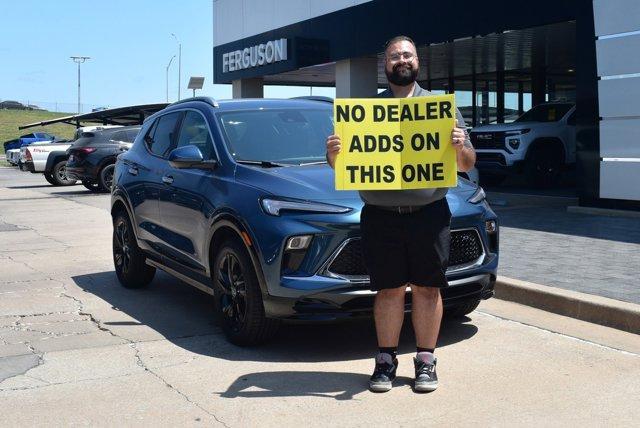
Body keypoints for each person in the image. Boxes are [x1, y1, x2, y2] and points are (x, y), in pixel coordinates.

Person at [326, 35, 476, 393]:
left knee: (427, 289)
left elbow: (467, 164)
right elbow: (342, 166)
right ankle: (385, 360)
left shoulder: (441, 108)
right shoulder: (366, 113)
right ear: (386, 65)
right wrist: (334, 153)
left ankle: (426, 361)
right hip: (380, 215)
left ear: (418, 63)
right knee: (389, 290)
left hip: (429, 213)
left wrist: (460, 146)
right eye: (395, 56)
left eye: (407, 54)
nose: (402, 60)